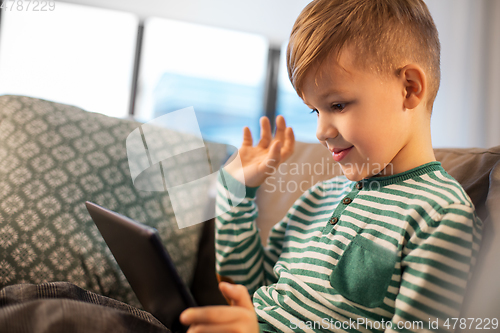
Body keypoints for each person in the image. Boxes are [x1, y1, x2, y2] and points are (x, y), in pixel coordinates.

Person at [180, 0, 483, 332]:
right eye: (315, 110)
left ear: (409, 88)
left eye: (337, 104)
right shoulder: (318, 199)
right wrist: (235, 192)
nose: (321, 131)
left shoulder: (440, 215)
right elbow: (248, 293)